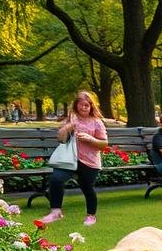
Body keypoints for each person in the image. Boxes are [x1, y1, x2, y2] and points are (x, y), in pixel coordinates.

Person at [39, 91, 109, 226]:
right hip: (70, 160)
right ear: (76, 106)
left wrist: (91, 139)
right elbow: (61, 139)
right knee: (56, 179)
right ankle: (56, 212)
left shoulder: (97, 123)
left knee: (87, 187)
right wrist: (69, 126)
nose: (85, 107)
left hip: (90, 161)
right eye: (82, 105)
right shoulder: (71, 119)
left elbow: (104, 145)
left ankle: (91, 216)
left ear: (92, 106)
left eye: (87, 105)